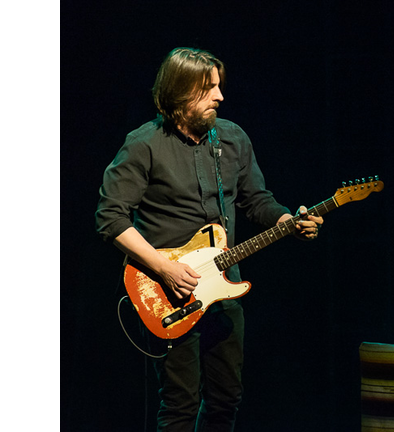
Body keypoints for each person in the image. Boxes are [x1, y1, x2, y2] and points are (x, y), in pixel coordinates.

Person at [95, 47, 323, 431]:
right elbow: (109, 217)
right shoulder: (143, 143)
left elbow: (256, 200)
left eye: (219, 86)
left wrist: (288, 219)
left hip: (222, 288)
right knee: (180, 404)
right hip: (167, 293)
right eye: (208, 88)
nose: (220, 96)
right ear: (180, 92)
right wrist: (164, 267)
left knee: (226, 399)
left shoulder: (232, 138)